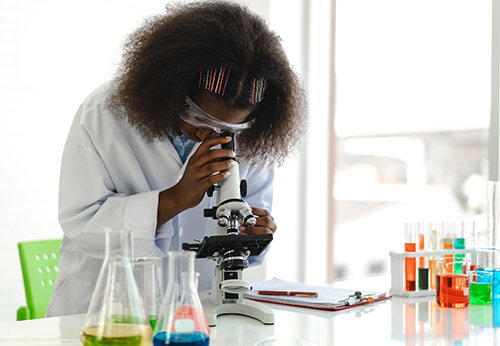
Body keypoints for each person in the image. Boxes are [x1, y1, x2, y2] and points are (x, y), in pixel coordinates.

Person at [46, 0, 306, 317]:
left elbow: (248, 220)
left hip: (200, 311)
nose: (210, 135)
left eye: (229, 128)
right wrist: (175, 198)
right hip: (106, 313)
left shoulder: (254, 134)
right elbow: (82, 223)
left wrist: (254, 236)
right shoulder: (105, 114)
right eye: (198, 118)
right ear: (170, 87)